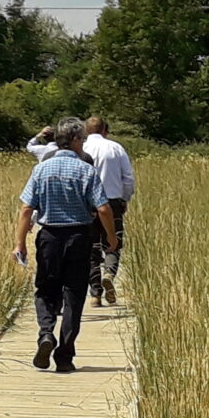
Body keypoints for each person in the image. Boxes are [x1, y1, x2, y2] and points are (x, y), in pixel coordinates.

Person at [15, 119, 120, 373]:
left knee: (45, 289)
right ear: (74, 141)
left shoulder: (41, 170)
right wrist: (111, 238)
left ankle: (46, 333)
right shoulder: (86, 170)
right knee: (73, 295)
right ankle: (65, 356)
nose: (84, 144)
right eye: (82, 140)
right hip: (79, 237)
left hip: (49, 236)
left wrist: (20, 243)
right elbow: (104, 208)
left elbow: (27, 208)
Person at [81, 116, 135, 305]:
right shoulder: (115, 148)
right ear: (105, 129)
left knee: (91, 247)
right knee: (113, 241)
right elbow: (127, 177)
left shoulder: (81, 148)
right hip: (112, 201)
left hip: (87, 204)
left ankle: (95, 293)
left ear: (86, 131)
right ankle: (109, 273)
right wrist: (125, 199)